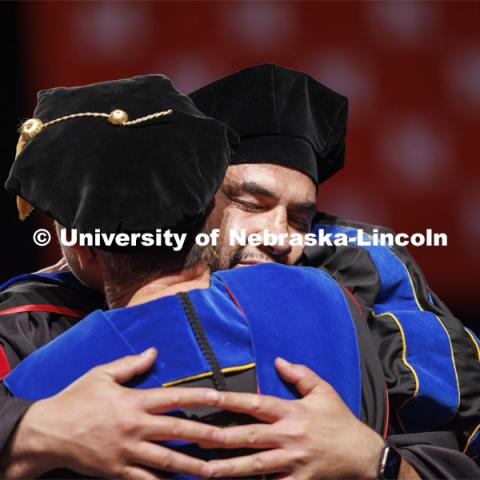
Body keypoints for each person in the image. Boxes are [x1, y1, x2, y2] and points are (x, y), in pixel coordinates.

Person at [0, 65, 479, 479]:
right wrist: (34, 431)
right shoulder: (34, 319)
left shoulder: (356, 282)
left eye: (300, 219)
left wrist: (375, 462)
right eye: (249, 203)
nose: (279, 236)